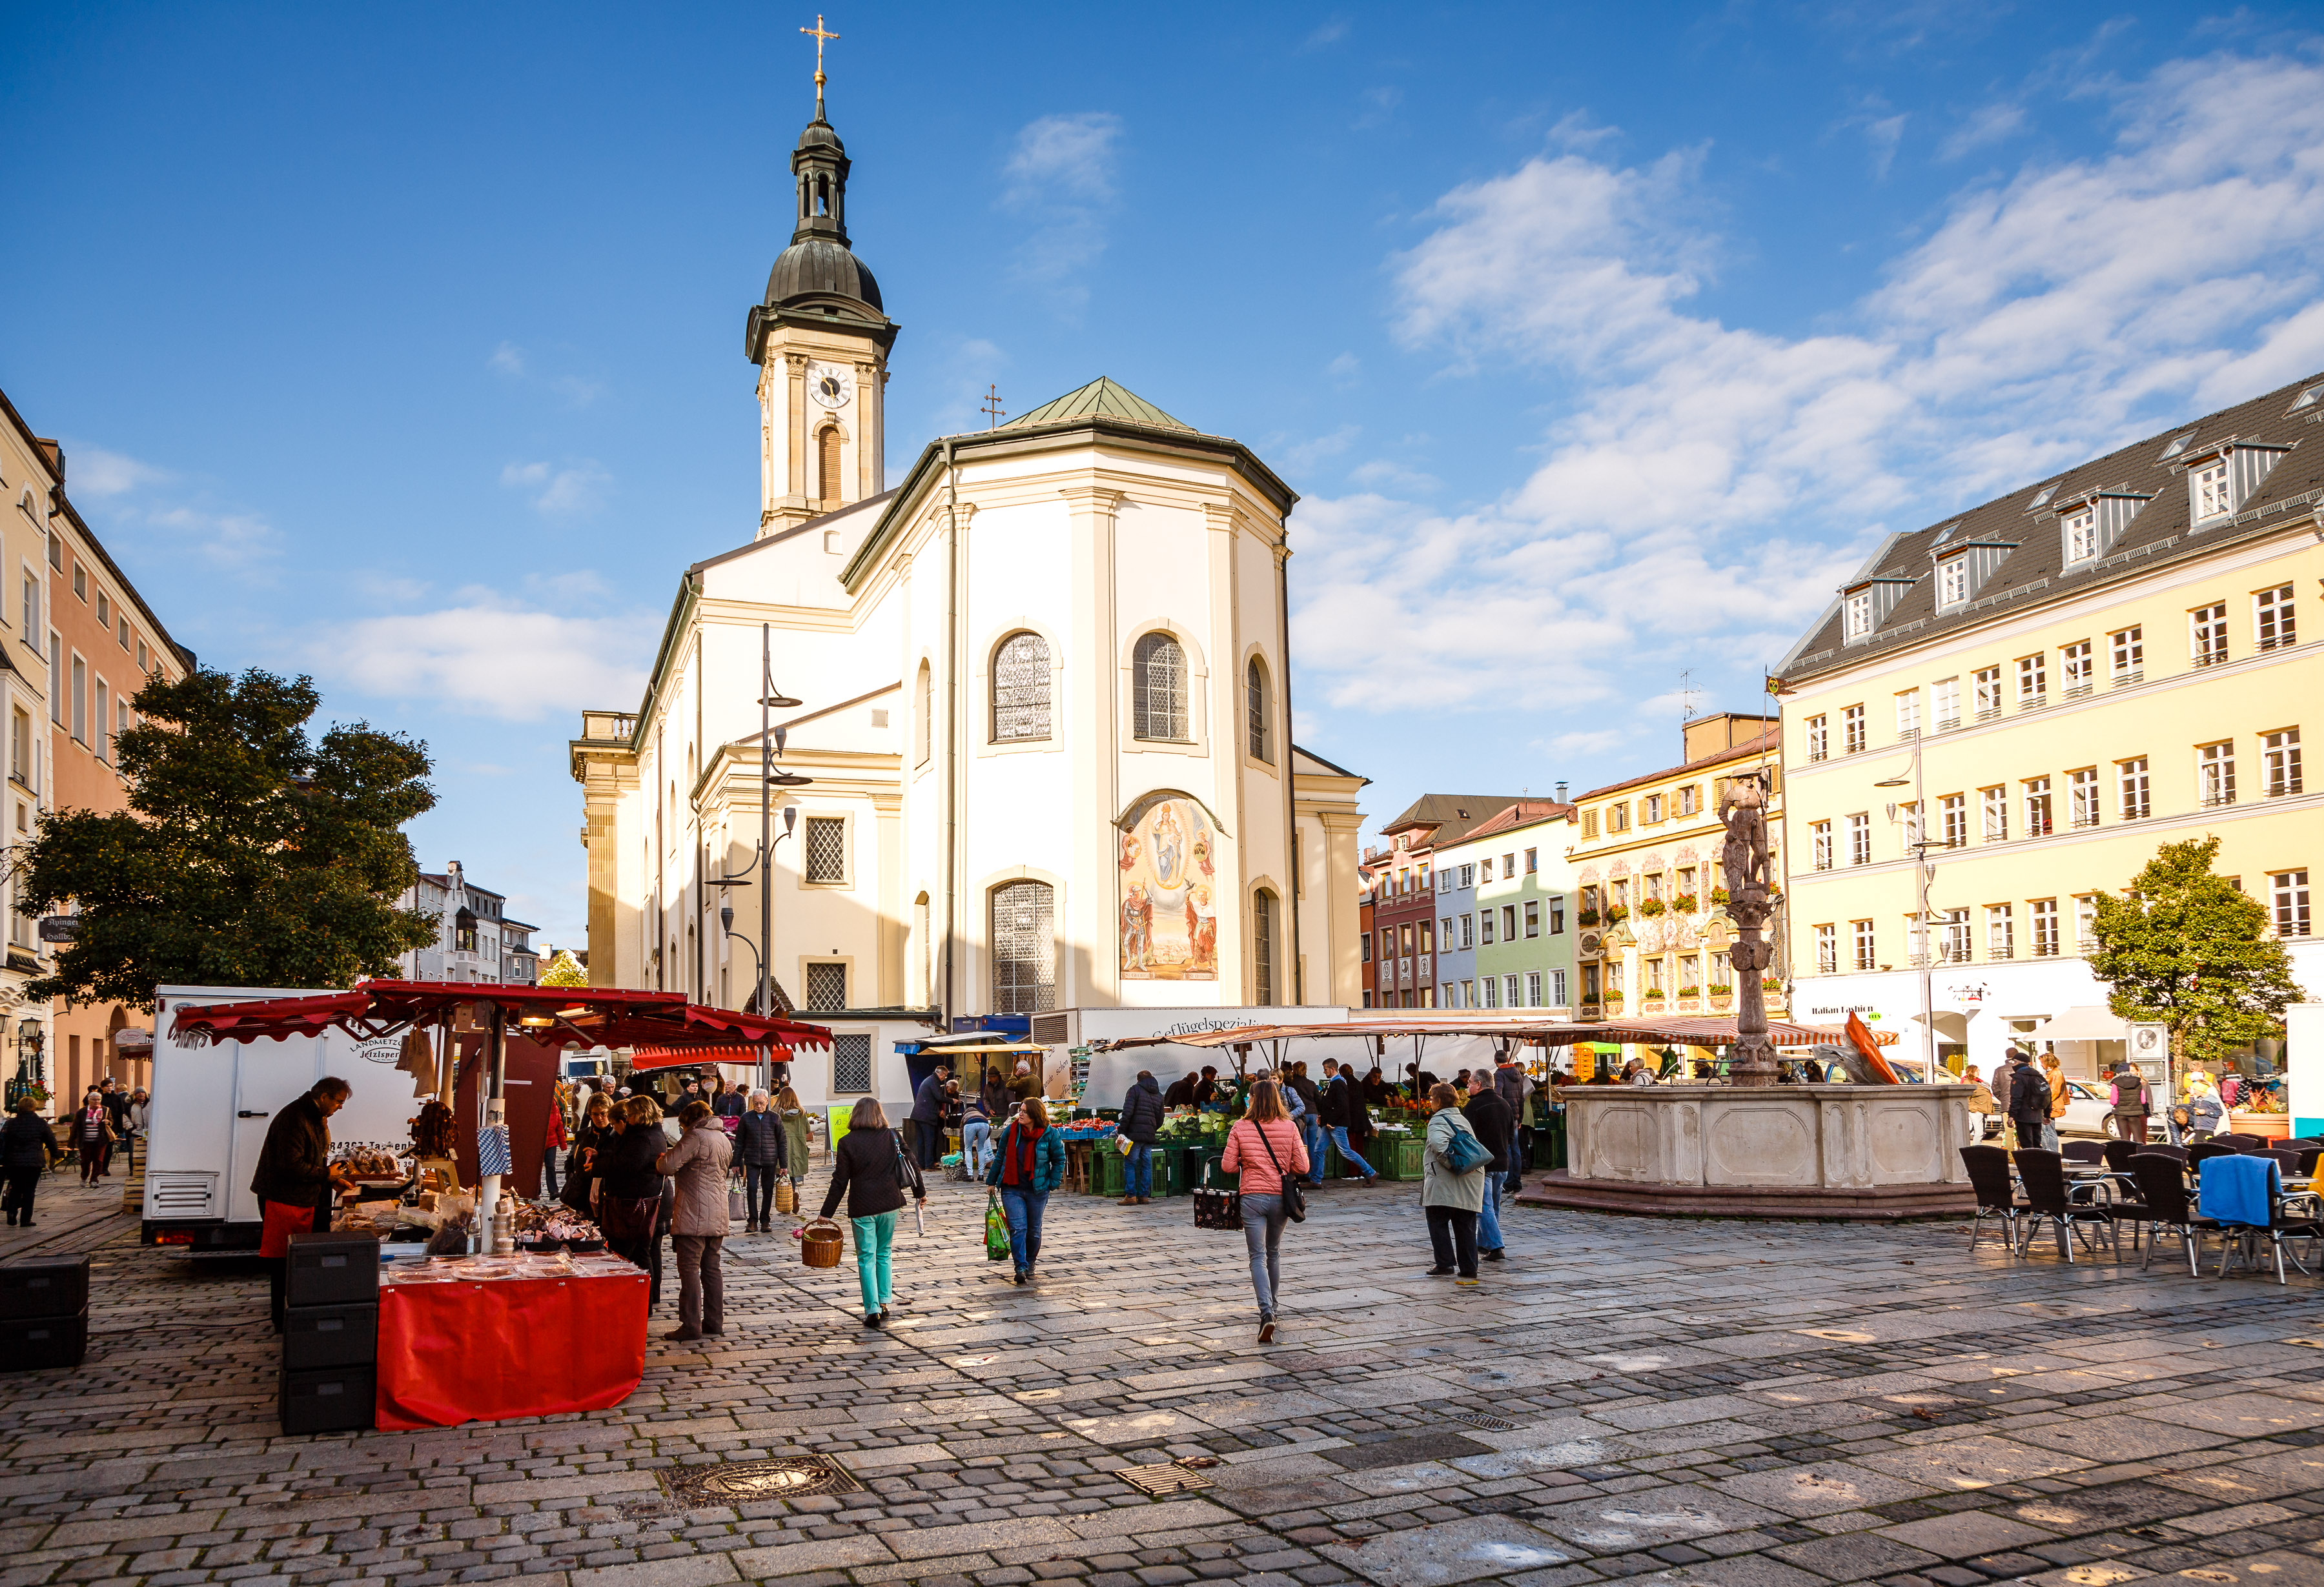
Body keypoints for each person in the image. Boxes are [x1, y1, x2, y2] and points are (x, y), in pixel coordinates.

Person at [252, 1077, 356, 1331]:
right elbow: (290, 1166)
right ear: (324, 1097)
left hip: (303, 1198)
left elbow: (315, 1160)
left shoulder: (316, 1116)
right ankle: (283, 1320)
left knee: (301, 1261)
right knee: (284, 1262)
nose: (340, 1107)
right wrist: (325, 1175)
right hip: (283, 1199)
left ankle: (300, 1312)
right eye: (338, 1102)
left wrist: (332, 1180)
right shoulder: (294, 1119)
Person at [820, 1096, 924, 1328]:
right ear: (879, 1113)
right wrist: (920, 1193)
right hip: (890, 1204)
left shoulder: (847, 1142)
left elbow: (840, 1181)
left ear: (855, 1115)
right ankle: (885, 1302)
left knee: (866, 1257)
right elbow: (912, 1164)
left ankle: (873, 1310)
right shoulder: (892, 1136)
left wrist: (826, 1213)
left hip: (862, 1206)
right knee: (884, 1253)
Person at [1219, 1079, 1310, 1343]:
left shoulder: (1240, 1127)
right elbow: (1302, 1167)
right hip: (1281, 1199)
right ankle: (1275, 1307)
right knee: (1273, 1252)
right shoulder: (1289, 1127)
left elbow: (1227, 1167)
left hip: (1252, 1198)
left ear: (1253, 1100)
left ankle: (1266, 1312)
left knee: (1256, 1255)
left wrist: (1247, 1163)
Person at [655, 1100, 733, 1340]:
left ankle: (690, 1324)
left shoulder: (696, 1136)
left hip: (694, 1213)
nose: (681, 1131)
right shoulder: (722, 1138)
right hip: (718, 1213)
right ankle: (714, 1322)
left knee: (689, 1269)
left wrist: (662, 1158)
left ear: (689, 1121)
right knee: (712, 1270)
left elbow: (667, 1166)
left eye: (681, 1126)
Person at [601, 1096, 673, 1310]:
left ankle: (644, 1302)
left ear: (639, 1115)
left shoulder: (643, 1138)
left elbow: (628, 1166)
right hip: (646, 1201)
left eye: (630, 1115)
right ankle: (646, 1301)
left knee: (640, 1253)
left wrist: (602, 1165)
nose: (628, 1119)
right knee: (644, 1251)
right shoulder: (651, 1133)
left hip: (638, 1204)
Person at [986, 1096, 1065, 1286]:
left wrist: (1052, 1182)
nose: (1019, 1114)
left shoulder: (1049, 1134)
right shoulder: (1011, 1131)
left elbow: (1059, 1159)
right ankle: (1020, 1266)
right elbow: (1000, 1156)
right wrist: (992, 1181)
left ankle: (1031, 1262)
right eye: (1019, 1110)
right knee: (1018, 1228)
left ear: (1035, 1115)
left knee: (1034, 1231)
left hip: (1037, 1189)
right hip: (1012, 1187)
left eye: (1024, 1111)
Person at [1422, 1082, 1488, 1285]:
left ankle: (1445, 1264)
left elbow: (1440, 1146)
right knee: (1465, 1224)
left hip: (1446, 1181)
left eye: (1432, 1098)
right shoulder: (1461, 1118)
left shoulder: (1437, 1120)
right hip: (1470, 1180)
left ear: (1440, 1100)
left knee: (1437, 1220)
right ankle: (1469, 1269)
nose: (1430, 1102)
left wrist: (1455, 1166)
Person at [1462, 1071, 1514, 1263]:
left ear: (1478, 1084)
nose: (1468, 1086)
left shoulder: (1473, 1105)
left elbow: (1467, 1136)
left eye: (1470, 1083)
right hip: (1502, 1162)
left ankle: (1496, 1246)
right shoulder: (1504, 1104)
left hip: (1483, 1163)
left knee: (1484, 1207)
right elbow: (1511, 1135)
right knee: (1493, 1207)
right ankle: (1484, 1242)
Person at [1320, 1059, 1382, 1186]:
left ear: (1340, 1071)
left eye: (1326, 1069)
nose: (1324, 1071)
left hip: (1349, 1119)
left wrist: (1331, 1119)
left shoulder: (1342, 1083)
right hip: (1361, 1118)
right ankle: (1362, 1172)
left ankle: (1358, 1172)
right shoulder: (1358, 1083)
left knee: (1349, 1148)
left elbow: (1343, 1104)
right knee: (1358, 1146)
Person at [734, 1091, 789, 1233]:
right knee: (751, 1189)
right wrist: (735, 1163)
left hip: (770, 1159)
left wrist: (784, 1165)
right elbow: (739, 1142)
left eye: (762, 1103)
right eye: (756, 1103)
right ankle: (752, 1220)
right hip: (752, 1159)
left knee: (768, 1190)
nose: (759, 1106)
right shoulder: (746, 1118)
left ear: (767, 1101)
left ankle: (765, 1220)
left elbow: (782, 1142)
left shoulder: (774, 1118)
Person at [1, 1098, 59, 1228]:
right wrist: (55, 1153)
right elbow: (51, 1140)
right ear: (34, 1108)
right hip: (34, 1162)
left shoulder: (11, 1123)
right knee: (29, 1191)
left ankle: (11, 1213)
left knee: (15, 1188)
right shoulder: (40, 1123)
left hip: (13, 1161)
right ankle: (25, 1220)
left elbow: (3, 1141)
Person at [1116, 1070, 1165, 1206]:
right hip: (1149, 1135)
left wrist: (1122, 1131)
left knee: (1130, 1163)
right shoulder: (1159, 1095)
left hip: (1134, 1134)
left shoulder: (1134, 1090)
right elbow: (1161, 1118)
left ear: (1138, 1080)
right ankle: (1144, 1196)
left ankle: (1131, 1195)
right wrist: (1152, 1129)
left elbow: (1127, 1112)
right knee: (1146, 1164)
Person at [566, 1091, 617, 1212]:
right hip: (582, 1193)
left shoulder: (617, 1136)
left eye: (603, 1114)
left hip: (607, 1195)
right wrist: (571, 1178)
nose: (599, 1118)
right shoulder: (582, 1135)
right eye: (595, 1114)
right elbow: (571, 1159)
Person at [1287, 1062, 1327, 1191]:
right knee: (1313, 1146)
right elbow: (1319, 1100)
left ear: (1294, 1070)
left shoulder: (1292, 1084)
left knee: (1303, 1146)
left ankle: (1306, 1172)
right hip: (1313, 1115)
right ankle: (1313, 1174)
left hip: (1301, 1117)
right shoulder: (1311, 1084)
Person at [1493, 1056, 1529, 1191]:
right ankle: (1517, 1183)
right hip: (1515, 1117)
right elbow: (1522, 1098)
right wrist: (1520, 1118)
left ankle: (1508, 1184)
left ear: (1495, 1061)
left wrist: (1498, 1115)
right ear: (1507, 1059)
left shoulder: (1499, 1074)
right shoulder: (1518, 1075)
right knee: (1516, 1150)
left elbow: (1498, 1095)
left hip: (1505, 1117)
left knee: (1507, 1149)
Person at [2003, 1049, 2046, 1149]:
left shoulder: (2019, 1077)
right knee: (2036, 1144)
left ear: (2019, 1062)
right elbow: (2046, 1094)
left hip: (2023, 1115)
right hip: (2037, 1115)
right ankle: (2039, 1164)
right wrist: (2046, 1114)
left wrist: (2012, 1115)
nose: (2013, 1064)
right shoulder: (2038, 1075)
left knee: (2026, 1145)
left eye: (2014, 1062)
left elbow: (2016, 1098)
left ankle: (2028, 1164)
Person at [909, 1065, 951, 1169]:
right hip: (926, 1116)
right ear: (941, 1074)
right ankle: (929, 1165)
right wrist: (952, 1101)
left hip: (919, 1115)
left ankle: (921, 1165)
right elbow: (938, 1097)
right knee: (929, 1140)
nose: (944, 1078)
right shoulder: (934, 1081)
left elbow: (929, 1100)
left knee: (921, 1141)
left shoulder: (929, 1080)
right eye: (945, 1076)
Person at [71, 1089, 116, 1184]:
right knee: (85, 1161)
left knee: (99, 1161)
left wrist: (109, 1122)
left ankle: (94, 1180)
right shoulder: (82, 1112)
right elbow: (75, 1127)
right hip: (85, 1141)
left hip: (100, 1140)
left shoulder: (105, 1110)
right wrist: (71, 1141)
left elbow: (111, 1121)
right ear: (89, 1100)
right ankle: (84, 1177)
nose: (97, 1101)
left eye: (99, 1099)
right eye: (94, 1099)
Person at [776, 1086, 813, 1194]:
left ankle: (783, 1198)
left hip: (781, 1148)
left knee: (781, 1174)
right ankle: (792, 1195)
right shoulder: (801, 1113)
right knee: (791, 1175)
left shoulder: (776, 1113)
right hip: (797, 1148)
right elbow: (808, 1130)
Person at [2109, 1059, 2150, 1144]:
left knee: (2125, 1139)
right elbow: (2143, 1101)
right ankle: (2138, 1155)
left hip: (2120, 1114)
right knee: (2138, 1139)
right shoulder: (2138, 1081)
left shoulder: (2115, 1083)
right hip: (2135, 1113)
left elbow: (2113, 1101)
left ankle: (2126, 1156)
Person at [961, 1087, 997, 1180]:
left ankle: (970, 1175)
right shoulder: (981, 1115)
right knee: (981, 1149)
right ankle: (981, 1175)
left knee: (968, 1149)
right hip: (984, 1124)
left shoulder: (965, 1116)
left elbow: (962, 1135)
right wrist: (983, 1137)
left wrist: (962, 1150)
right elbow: (989, 1129)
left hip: (969, 1125)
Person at [2039, 1053, 2070, 1152]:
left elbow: (2054, 1091)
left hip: (2051, 1106)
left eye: (2042, 1062)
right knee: (2045, 1131)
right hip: (2049, 1105)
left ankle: (2052, 1152)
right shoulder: (2051, 1072)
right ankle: (2048, 1151)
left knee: (2048, 1131)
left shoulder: (2056, 1073)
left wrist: (2043, 1103)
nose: (2041, 1065)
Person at [542, 1088, 569, 1200]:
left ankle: (553, 1191)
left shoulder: (554, 1107)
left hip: (551, 1142)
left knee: (550, 1166)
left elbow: (559, 1126)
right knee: (536, 1169)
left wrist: (563, 1144)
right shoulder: (536, 1107)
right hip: (538, 1143)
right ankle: (535, 1191)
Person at [1962, 1066, 1997, 1141]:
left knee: (1977, 1132)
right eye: (1976, 1071)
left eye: (1979, 1070)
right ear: (1971, 1072)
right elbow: (1966, 1098)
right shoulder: (1968, 1083)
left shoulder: (1979, 1082)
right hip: (1977, 1111)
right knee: (1979, 1133)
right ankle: (1975, 1150)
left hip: (1984, 1110)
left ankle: (1972, 1148)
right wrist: (1974, 1108)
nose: (1978, 1072)